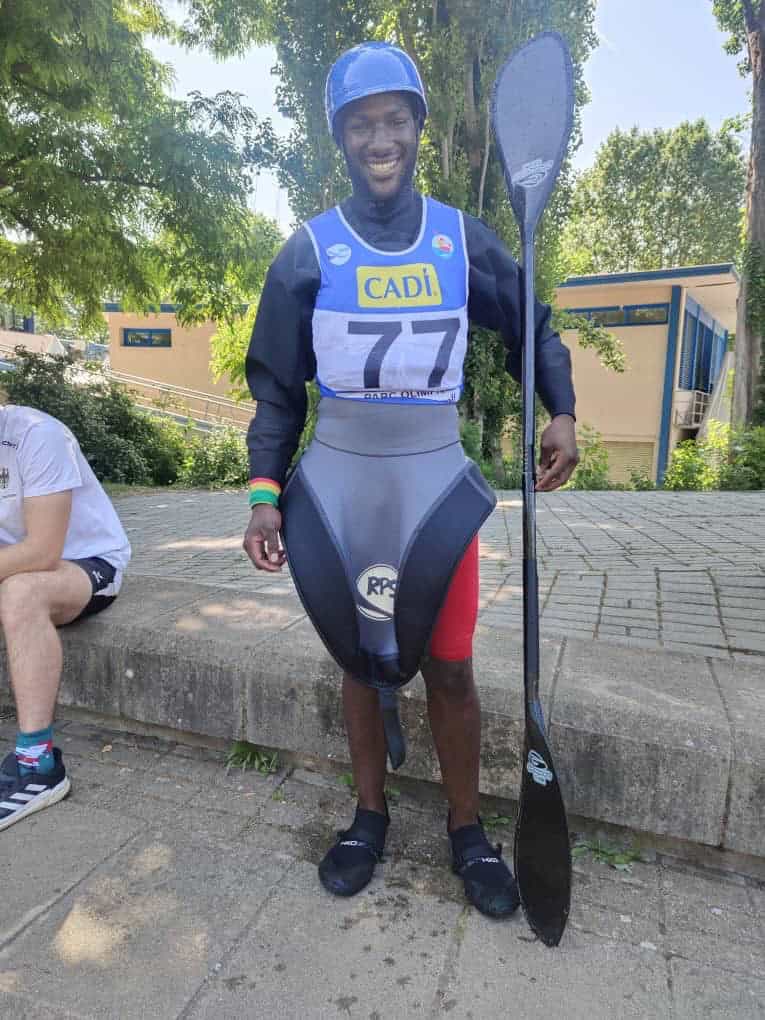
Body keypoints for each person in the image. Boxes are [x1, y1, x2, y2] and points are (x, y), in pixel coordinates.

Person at [243, 42, 578, 919]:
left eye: (394, 119)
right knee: (360, 665)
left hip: (432, 482)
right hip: (340, 485)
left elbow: (532, 319)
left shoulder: (459, 238)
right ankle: (367, 818)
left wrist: (562, 410)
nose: (378, 137)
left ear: (417, 130)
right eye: (361, 123)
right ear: (341, 137)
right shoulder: (306, 252)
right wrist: (261, 494)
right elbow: (275, 390)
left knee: (453, 670)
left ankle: (467, 831)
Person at [0, 404, 131, 831]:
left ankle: (38, 765)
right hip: (11, 564)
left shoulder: (37, 434)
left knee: (20, 593)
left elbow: (42, 552)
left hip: (84, 562)